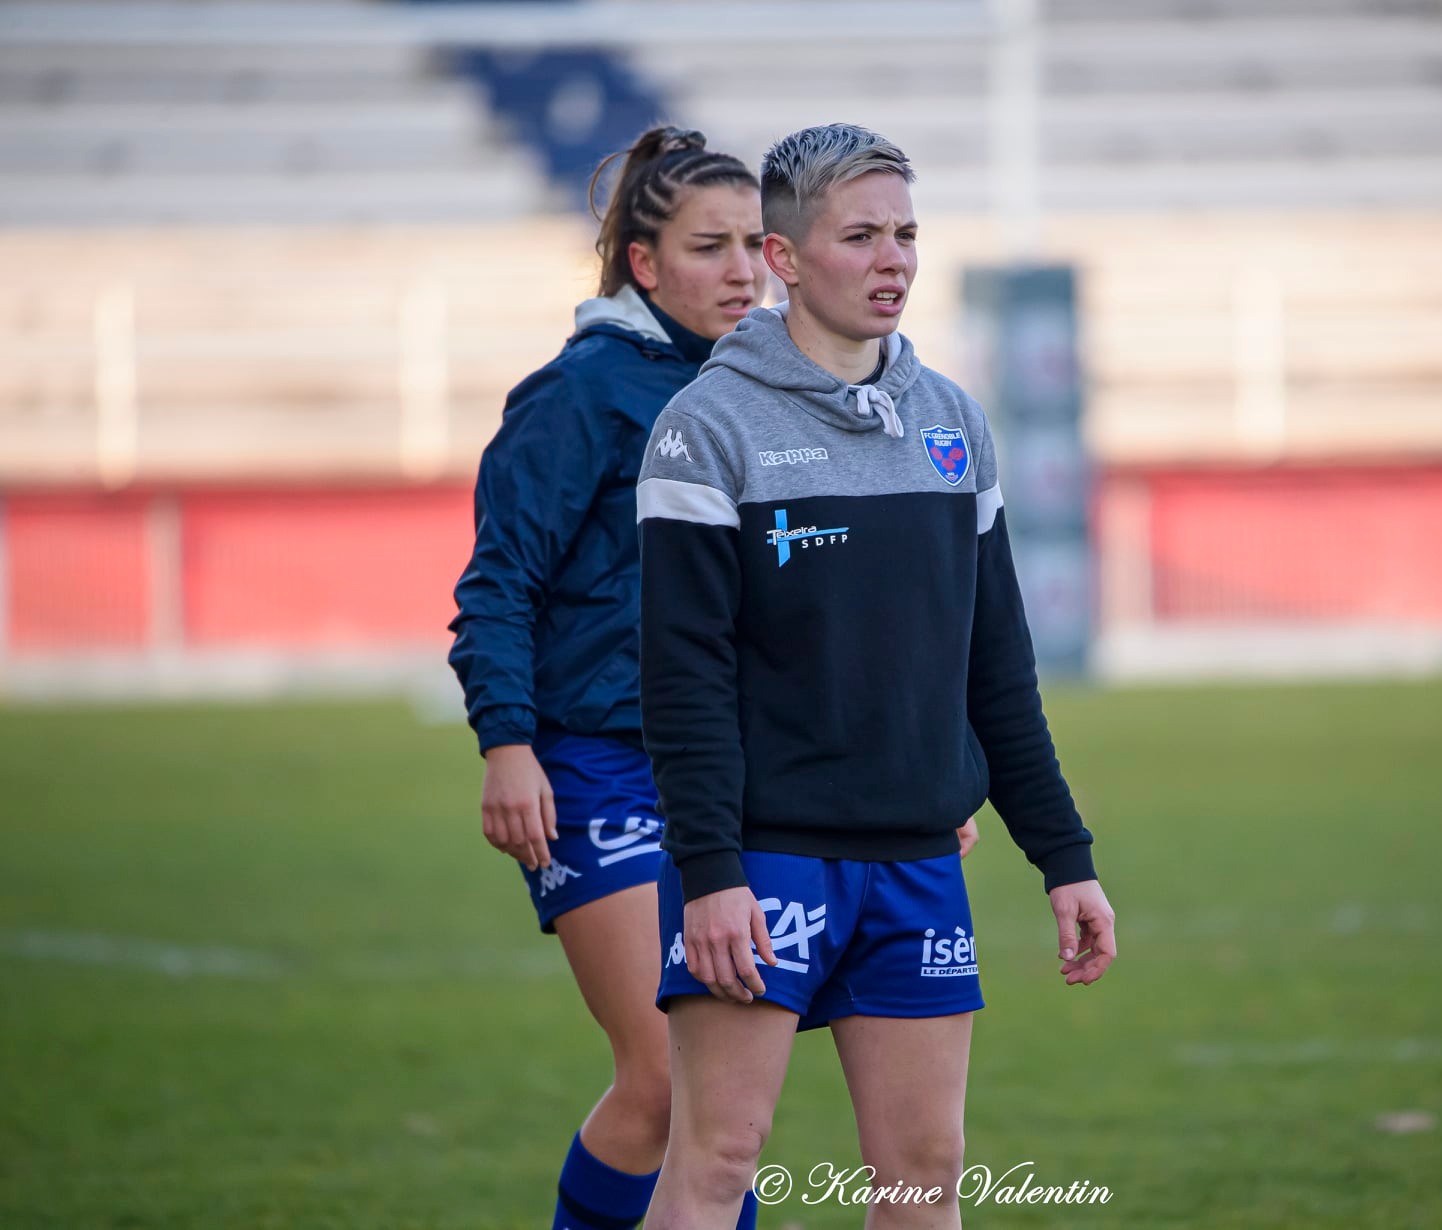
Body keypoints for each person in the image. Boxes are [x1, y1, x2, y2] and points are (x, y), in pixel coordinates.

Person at [636, 123, 1118, 1230]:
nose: (894, 257)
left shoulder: (953, 424)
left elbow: (996, 668)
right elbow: (684, 678)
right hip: (763, 862)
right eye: (860, 235)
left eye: (906, 232)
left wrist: (1065, 857)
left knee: (924, 1178)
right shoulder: (706, 429)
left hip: (915, 862)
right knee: (717, 1162)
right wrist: (709, 871)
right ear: (784, 258)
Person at [447, 125, 771, 1230]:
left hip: (725, 775)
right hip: (594, 766)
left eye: (755, 246)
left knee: (717, 1094)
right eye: (709, 247)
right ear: (644, 262)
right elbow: (498, 584)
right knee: (673, 1076)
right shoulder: (579, 394)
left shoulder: (765, 392)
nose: (742, 271)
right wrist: (507, 744)